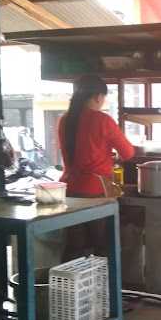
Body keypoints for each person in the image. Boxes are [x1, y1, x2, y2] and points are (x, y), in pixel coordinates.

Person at [58, 74, 134, 258]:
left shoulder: (65, 119)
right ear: (98, 97)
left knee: (75, 247)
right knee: (103, 247)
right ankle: (104, 286)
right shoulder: (102, 120)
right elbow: (128, 153)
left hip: (69, 192)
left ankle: (69, 285)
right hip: (96, 193)